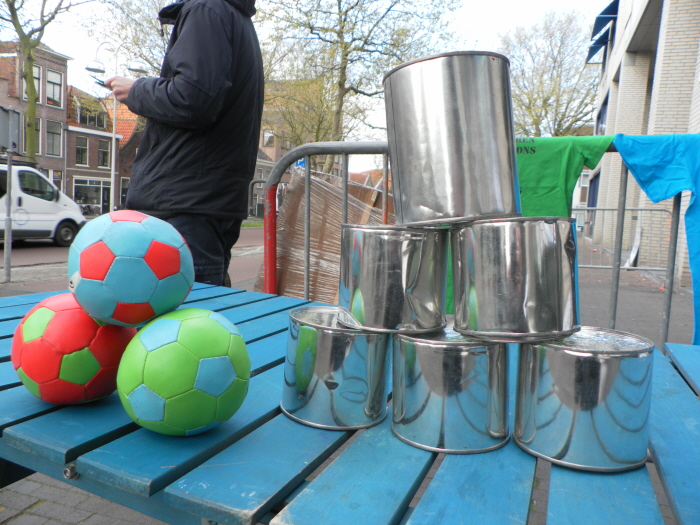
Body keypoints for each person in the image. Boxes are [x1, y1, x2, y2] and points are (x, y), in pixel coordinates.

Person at [105, 0, 263, 286]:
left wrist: (136, 90)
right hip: (205, 201)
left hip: (183, 203)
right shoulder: (234, 17)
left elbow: (193, 99)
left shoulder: (206, 10)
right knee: (200, 318)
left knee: (179, 320)